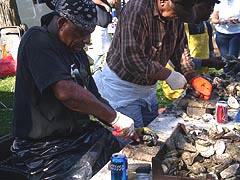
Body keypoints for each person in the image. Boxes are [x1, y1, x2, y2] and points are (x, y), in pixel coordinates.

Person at [11, 0, 138, 179]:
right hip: (43, 150)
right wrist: (114, 117)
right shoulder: (37, 40)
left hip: (75, 138)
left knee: (119, 157)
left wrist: (120, 123)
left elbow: (93, 96)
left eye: (89, 34)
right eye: (81, 33)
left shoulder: (75, 50)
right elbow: (67, 93)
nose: (86, 40)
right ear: (62, 23)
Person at [94, 0, 202, 128]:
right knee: (134, 141)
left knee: (154, 131)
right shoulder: (137, 10)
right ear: (163, 2)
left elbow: (180, 49)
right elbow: (131, 59)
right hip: (123, 89)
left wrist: (192, 77)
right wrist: (168, 75)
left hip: (147, 89)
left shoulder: (175, 17)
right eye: (177, 13)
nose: (177, 18)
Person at [162, 0, 225, 100]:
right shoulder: (181, 24)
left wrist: (215, 61)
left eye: (212, 6)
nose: (211, 10)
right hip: (178, 80)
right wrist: (207, 62)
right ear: (193, 5)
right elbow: (177, 58)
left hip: (201, 78)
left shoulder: (207, 26)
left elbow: (210, 52)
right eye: (207, 5)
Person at [91, 0, 117, 72]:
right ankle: (96, 70)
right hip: (98, 28)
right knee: (98, 51)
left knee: (109, 49)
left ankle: (107, 69)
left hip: (106, 28)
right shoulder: (100, 2)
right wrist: (104, 5)